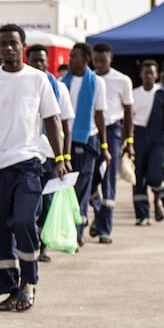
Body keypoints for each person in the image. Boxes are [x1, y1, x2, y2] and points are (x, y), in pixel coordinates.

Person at [0, 24, 64, 312]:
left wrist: (61, 158)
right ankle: (10, 288)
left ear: (22, 46)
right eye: (4, 44)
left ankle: (29, 282)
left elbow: (53, 120)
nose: (8, 48)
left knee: (23, 221)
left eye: (14, 43)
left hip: (29, 163)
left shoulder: (38, 79)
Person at [57, 43, 110, 247]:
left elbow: (99, 115)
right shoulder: (63, 82)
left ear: (85, 59)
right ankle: (69, 228)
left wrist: (104, 146)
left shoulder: (96, 82)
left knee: (83, 188)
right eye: (70, 56)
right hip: (66, 140)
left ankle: (78, 233)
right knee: (67, 186)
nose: (70, 60)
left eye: (74, 57)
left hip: (88, 140)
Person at [26, 44, 74, 264]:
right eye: (34, 60)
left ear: (48, 63)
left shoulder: (60, 88)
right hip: (30, 155)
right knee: (31, 205)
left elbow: (64, 124)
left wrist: (65, 157)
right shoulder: (23, 85)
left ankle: (42, 246)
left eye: (42, 61)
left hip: (52, 156)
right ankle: (31, 243)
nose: (39, 64)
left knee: (48, 202)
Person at [89, 43, 134, 243]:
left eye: (102, 60)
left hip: (113, 131)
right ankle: (99, 213)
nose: (98, 64)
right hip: (90, 132)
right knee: (88, 181)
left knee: (108, 181)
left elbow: (128, 113)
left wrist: (129, 141)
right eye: (95, 60)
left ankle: (105, 229)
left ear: (110, 58)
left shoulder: (122, 80)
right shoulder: (88, 78)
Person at [131, 61, 164, 224]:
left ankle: (157, 199)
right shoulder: (134, 94)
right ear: (141, 75)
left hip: (158, 140)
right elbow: (127, 120)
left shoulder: (163, 95)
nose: (148, 76)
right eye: (145, 73)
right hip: (138, 138)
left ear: (156, 75)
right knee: (138, 178)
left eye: (151, 73)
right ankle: (142, 215)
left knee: (155, 174)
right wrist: (127, 142)